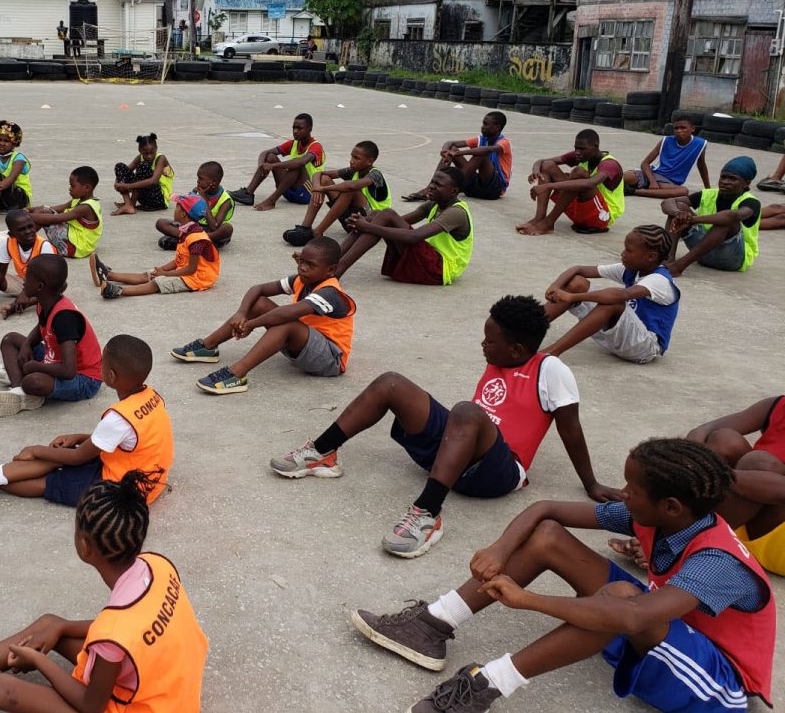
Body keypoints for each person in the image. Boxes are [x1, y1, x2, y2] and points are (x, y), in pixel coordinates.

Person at [351, 439, 775, 713]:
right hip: (664, 631)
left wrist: (527, 599)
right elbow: (546, 510)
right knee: (549, 538)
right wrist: (500, 549)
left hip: (718, 685)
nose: (622, 494)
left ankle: (488, 685)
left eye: (632, 489)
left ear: (670, 506)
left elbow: (631, 619)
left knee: (622, 600)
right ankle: (435, 623)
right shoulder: (659, 517)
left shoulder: (719, 561)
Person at [271, 295, 616, 558]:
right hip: (454, 453)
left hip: (497, 472)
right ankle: (321, 452)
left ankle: (427, 514)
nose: (483, 345)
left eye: (490, 341)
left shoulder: (551, 370)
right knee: (391, 382)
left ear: (516, 349)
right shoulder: (502, 357)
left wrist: (591, 483)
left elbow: (570, 429)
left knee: (466, 411)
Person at [0, 471, 208, 710]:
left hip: (130, 705)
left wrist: (41, 663)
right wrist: (61, 627)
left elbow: (91, 705)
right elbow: (127, 631)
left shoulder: (113, 632)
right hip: (163, 681)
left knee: (6, 691)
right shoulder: (158, 565)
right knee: (51, 624)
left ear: (84, 545)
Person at [0, 335, 173, 506]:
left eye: (102, 361)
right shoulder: (150, 396)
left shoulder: (118, 417)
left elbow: (76, 458)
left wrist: (37, 450)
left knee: (53, 479)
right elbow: (127, 438)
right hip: (141, 475)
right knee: (58, 457)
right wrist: (78, 438)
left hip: (122, 490)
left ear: (111, 376)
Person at [171, 236, 355, 395]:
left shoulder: (330, 292)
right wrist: (241, 314)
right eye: (302, 261)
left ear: (330, 270)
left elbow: (287, 314)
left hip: (330, 359)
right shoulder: (303, 279)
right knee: (259, 303)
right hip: (303, 346)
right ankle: (208, 346)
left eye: (310, 265)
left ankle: (236, 374)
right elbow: (258, 289)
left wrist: (250, 324)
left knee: (286, 322)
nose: (303, 268)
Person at [541, 225, 679, 365]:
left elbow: (620, 295)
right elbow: (578, 269)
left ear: (651, 257)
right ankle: (527, 332)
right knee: (577, 283)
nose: (623, 254)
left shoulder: (660, 281)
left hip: (645, 347)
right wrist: (555, 286)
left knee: (613, 302)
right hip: (620, 337)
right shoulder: (632, 269)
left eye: (629, 250)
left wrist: (572, 297)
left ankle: (551, 352)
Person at [0, 254, 102, 417]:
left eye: (27, 277)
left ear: (40, 287)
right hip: (56, 358)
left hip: (84, 378)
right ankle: (19, 390)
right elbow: (41, 326)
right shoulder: (46, 301)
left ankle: (24, 384)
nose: (24, 280)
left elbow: (69, 371)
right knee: (10, 339)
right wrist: (27, 344)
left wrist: (35, 366)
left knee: (33, 381)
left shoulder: (64, 318)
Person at [683, 396, 785, 576]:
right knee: (724, 439)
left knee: (759, 463)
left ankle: (688, 542)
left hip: (778, 544)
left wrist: (715, 475)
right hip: (747, 516)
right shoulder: (778, 405)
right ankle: (685, 529)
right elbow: (702, 430)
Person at [335, 166, 472, 286]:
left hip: (440, 269)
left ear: (454, 192)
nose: (431, 186)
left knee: (384, 214)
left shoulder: (456, 212)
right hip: (429, 258)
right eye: (432, 182)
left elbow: (414, 236)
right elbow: (395, 221)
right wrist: (366, 221)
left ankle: (338, 269)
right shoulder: (434, 204)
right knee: (377, 214)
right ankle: (333, 260)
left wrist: (367, 226)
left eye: (438, 185)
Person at [93, 194, 220, 300]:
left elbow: (191, 269)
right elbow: (179, 260)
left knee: (156, 283)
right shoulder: (186, 231)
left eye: (177, 207)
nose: (174, 210)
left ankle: (117, 291)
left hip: (197, 279)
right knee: (149, 274)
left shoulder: (196, 239)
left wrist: (166, 274)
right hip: (187, 272)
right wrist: (161, 269)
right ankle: (108, 275)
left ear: (183, 214)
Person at [661, 156, 760, 276]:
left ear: (746, 183)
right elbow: (668, 202)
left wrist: (693, 219)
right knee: (679, 208)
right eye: (723, 177)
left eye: (732, 179)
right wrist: (678, 213)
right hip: (702, 252)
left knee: (727, 221)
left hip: (732, 258)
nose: (725, 181)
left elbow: (733, 216)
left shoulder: (751, 202)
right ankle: (667, 259)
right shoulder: (708, 194)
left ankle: (678, 267)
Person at [517, 129, 624, 236]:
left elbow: (589, 184)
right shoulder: (582, 155)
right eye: (576, 148)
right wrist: (536, 169)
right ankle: (539, 218)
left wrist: (547, 186)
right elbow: (543, 162)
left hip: (602, 216)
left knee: (578, 173)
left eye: (582, 149)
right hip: (581, 209)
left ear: (595, 146)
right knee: (548, 166)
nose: (577, 152)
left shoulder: (610, 164)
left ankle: (548, 223)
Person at [283, 140, 390, 246]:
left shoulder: (376, 175)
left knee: (350, 189)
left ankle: (317, 233)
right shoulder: (354, 170)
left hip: (371, 223)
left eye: (357, 158)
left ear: (370, 161)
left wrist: (323, 189)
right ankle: (305, 227)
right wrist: (317, 187)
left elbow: (351, 186)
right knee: (324, 179)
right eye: (352, 156)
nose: (351, 161)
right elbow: (319, 174)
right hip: (353, 220)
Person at [0, 209, 58, 316]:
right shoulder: (9, 243)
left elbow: (48, 279)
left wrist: (26, 294)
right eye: (22, 229)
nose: (28, 231)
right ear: (12, 234)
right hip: (22, 281)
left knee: (55, 289)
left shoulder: (44, 246)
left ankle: (13, 307)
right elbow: (0, 271)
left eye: (30, 226)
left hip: (40, 285)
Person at [405, 110, 512, 201]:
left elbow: (486, 150)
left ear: (497, 127)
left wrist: (458, 153)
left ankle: (448, 188)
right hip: (476, 187)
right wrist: (445, 151)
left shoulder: (504, 142)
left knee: (481, 154)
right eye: (483, 124)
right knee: (452, 149)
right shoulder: (481, 139)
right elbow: (451, 143)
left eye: (486, 124)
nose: (482, 127)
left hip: (493, 190)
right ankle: (431, 188)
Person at [229, 114, 324, 211]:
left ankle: (271, 201)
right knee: (270, 157)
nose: (295, 131)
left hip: (307, 194)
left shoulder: (316, 147)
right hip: (287, 190)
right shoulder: (294, 143)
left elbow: (301, 162)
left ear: (310, 129)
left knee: (297, 165)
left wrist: (273, 166)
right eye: (294, 128)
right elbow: (265, 152)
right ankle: (248, 194)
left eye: (300, 128)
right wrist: (262, 166)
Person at [623, 114, 708, 199]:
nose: (679, 131)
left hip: (668, 182)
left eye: (683, 128)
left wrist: (708, 188)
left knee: (683, 191)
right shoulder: (666, 140)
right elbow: (645, 163)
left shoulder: (700, 144)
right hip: (652, 174)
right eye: (676, 128)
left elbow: (701, 165)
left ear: (692, 129)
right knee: (623, 176)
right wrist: (652, 181)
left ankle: (635, 191)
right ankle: (645, 188)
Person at [155, 160, 234, 251]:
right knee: (161, 223)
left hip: (210, 231)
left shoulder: (225, 200)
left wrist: (204, 200)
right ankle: (197, 241)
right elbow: (187, 212)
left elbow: (214, 226)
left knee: (227, 229)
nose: (197, 181)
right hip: (194, 227)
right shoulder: (196, 191)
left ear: (214, 182)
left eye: (201, 179)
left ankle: (194, 240)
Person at [29, 165, 103, 259]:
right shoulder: (80, 201)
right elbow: (55, 208)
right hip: (76, 244)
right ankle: (24, 238)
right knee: (43, 211)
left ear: (87, 188)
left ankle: (22, 240)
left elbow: (57, 218)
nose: (70, 188)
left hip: (74, 248)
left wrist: (27, 215)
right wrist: (30, 210)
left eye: (73, 186)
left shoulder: (86, 207)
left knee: (43, 215)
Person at [112, 133, 172, 215]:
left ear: (156, 149)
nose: (149, 156)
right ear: (140, 151)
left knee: (143, 166)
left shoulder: (161, 158)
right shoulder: (140, 157)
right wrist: (117, 182)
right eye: (146, 153)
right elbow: (125, 172)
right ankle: (128, 204)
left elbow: (154, 181)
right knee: (120, 166)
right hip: (145, 198)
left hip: (159, 199)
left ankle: (131, 204)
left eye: (152, 152)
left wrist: (127, 186)